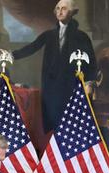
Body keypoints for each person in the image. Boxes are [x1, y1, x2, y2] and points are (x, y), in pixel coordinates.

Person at [10, 0, 97, 133]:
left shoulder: (82, 37)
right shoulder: (49, 35)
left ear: (72, 12)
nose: (60, 11)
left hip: (71, 88)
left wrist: (89, 83)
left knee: (71, 126)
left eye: (64, 8)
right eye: (57, 9)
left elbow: (91, 62)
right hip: (51, 89)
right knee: (52, 125)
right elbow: (32, 47)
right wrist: (11, 55)